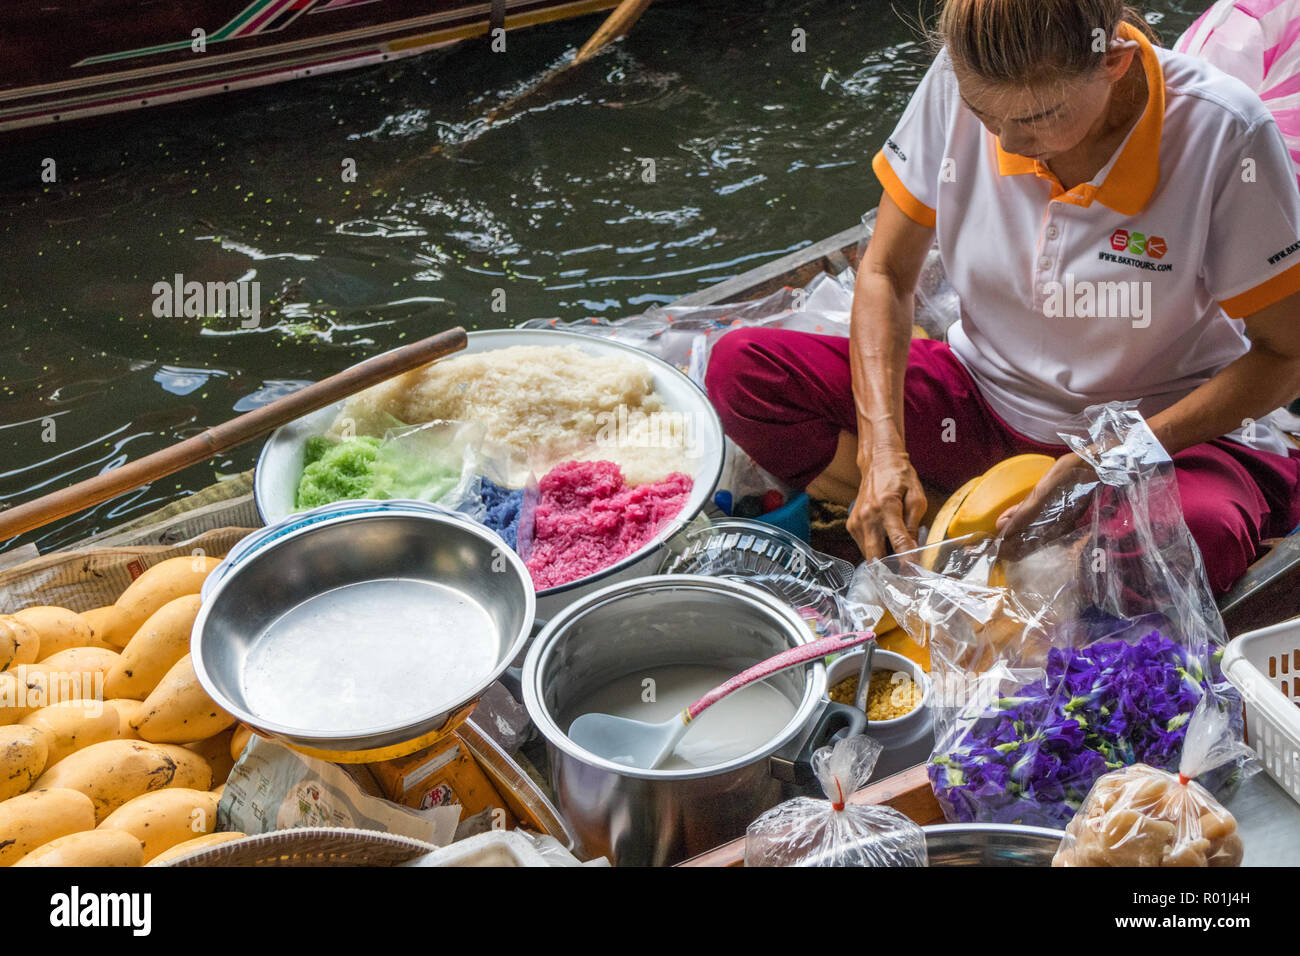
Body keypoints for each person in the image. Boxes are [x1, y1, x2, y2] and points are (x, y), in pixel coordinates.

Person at [705, 0, 1300, 596]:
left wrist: (1108, 456)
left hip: (1159, 430)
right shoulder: (956, 79)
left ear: (1113, 63)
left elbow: (1287, 355)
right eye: (982, 112)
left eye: (1039, 114)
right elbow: (885, 272)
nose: (1009, 141)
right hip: (982, 399)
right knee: (741, 372)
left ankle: (1047, 560)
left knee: (1191, 537)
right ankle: (957, 538)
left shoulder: (1224, 132)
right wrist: (880, 451)